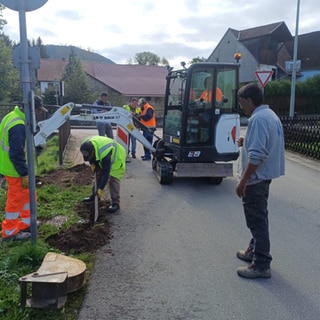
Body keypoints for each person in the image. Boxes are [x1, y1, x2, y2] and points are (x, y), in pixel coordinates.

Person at [235, 83, 285, 279]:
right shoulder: (270, 115)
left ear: (249, 100)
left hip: (256, 180)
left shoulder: (258, 119)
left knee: (257, 222)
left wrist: (243, 181)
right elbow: (264, 143)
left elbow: (257, 155)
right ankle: (253, 251)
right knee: (259, 218)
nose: (241, 107)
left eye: (241, 103)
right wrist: (245, 142)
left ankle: (261, 264)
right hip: (264, 177)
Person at [0, 96, 47, 241]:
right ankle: (9, 232)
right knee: (15, 199)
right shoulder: (18, 125)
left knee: (28, 195)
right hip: (16, 171)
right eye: (38, 111)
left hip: (17, 168)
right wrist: (25, 173)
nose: (39, 114)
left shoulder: (13, 117)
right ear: (31, 109)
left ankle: (26, 222)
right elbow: (16, 153)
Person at [80, 136, 126, 213]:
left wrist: (101, 188)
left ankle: (115, 203)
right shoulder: (85, 144)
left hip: (117, 157)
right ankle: (94, 196)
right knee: (98, 174)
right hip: (101, 154)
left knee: (113, 180)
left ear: (93, 151)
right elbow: (90, 157)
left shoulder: (105, 155)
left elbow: (106, 173)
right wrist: (92, 164)